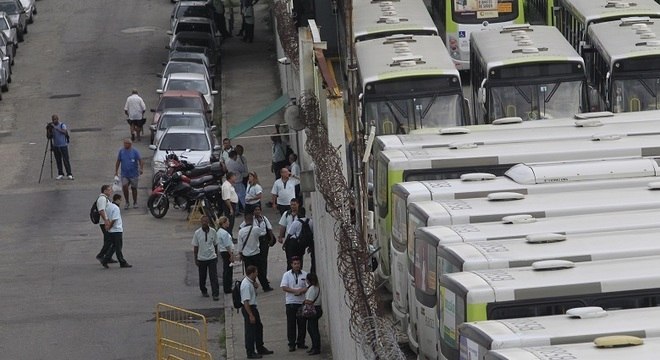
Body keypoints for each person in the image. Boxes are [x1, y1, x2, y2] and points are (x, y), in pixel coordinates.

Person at [240, 265, 274, 358]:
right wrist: (250, 315)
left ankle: (260, 347)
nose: (257, 274)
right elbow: (246, 301)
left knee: (258, 327)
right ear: (252, 273)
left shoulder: (251, 282)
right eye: (256, 272)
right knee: (250, 331)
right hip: (249, 308)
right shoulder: (246, 285)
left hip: (253, 307)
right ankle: (250, 352)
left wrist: (255, 287)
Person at [238, 213, 273, 291]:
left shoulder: (241, 231)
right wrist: (261, 223)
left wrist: (240, 253)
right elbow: (263, 233)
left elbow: (240, 245)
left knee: (249, 272)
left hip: (246, 255)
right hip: (256, 253)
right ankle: (265, 287)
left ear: (245, 221)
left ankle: (251, 287)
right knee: (260, 272)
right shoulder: (256, 229)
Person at [280, 256, 308, 352]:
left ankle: (301, 342)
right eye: (295, 264)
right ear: (291, 265)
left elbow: (308, 286)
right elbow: (284, 287)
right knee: (291, 324)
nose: (297, 265)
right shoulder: (287, 275)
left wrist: (301, 291)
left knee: (302, 323)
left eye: (298, 263)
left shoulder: (305, 274)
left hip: (301, 302)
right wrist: (294, 291)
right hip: (291, 302)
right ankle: (291, 344)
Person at [192, 216, 220, 300]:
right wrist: (196, 258)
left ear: (208, 222)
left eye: (206, 221)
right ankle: (203, 290)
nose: (204, 223)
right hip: (202, 258)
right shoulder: (197, 233)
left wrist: (216, 255)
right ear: (201, 222)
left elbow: (215, 244)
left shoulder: (213, 231)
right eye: (203, 221)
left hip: (212, 258)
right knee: (202, 277)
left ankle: (215, 294)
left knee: (214, 277)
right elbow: (195, 247)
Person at [100, 194, 132, 268]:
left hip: (111, 231)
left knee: (114, 246)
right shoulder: (116, 208)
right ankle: (122, 262)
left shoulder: (108, 207)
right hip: (117, 230)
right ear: (117, 199)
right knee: (118, 247)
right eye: (120, 200)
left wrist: (108, 227)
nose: (121, 201)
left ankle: (105, 260)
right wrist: (110, 227)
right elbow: (114, 219)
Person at [115, 138, 143, 210]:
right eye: (124, 143)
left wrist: (141, 168)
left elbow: (140, 160)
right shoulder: (121, 151)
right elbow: (118, 161)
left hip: (134, 174)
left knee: (134, 188)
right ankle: (127, 202)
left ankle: (135, 202)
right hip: (124, 174)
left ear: (130, 144)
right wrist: (116, 171)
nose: (124, 145)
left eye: (126, 143)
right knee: (125, 186)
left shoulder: (135, 151)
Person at [278, 198, 306, 270]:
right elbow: (283, 226)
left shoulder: (301, 215)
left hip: (299, 241)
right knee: (289, 259)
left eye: (294, 205)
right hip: (289, 241)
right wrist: (280, 237)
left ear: (298, 205)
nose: (293, 206)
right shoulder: (286, 214)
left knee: (299, 258)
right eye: (291, 205)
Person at [95, 184, 116, 263]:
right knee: (109, 240)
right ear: (105, 191)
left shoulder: (106, 198)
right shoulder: (102, 199)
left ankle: (108, 256)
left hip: (107, 222)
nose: (111, 191)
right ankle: (101, 255)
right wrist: (106, 221)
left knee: (108, 240)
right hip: (104, 223)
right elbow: (101, 210)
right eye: (109, 189)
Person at [49, 114, 74, 180]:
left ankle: (69, 174)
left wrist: (56, 128)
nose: (54, 121)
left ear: (58, 119)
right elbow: (49, 136)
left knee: (66, 160)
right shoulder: (52, 126)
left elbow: (65, 132)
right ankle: (60, 173)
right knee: (58, 160)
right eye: (53, 120)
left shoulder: (62, 125)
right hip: (56, 146)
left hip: (63, 145)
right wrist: (49, 130)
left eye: (55, 119)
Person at [304, 273, 322, 355]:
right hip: (317, 309)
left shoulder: (312, 289)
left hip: (313, 310)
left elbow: (310, 301)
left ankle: (316, 348)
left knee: (313, 330)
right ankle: (314, 347)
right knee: (311, 328)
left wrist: (304, 301)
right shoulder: (316, 287)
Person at [216, 216, 234, 294]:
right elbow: (227, 245)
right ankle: (227, 287)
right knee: (228, 270)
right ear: (224, 223)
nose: (229, 223)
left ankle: (227, 287)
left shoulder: (219, 232)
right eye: (227, 221)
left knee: (226, 269)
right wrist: (231, 255)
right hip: (226, 252)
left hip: (223, 252)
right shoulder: (225, 233)